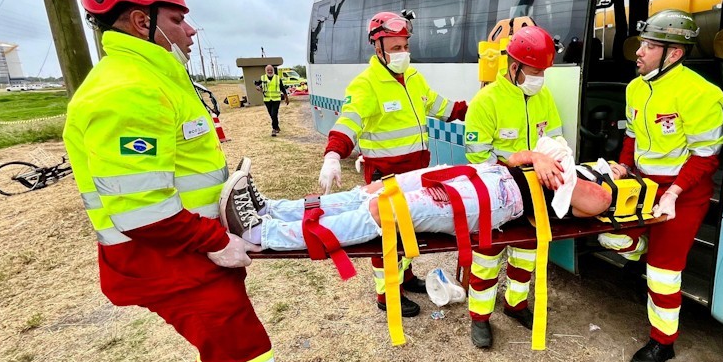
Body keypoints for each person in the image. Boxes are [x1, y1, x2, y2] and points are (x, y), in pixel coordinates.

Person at [65, 0, 348, 362]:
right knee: (244, 352)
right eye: (177, 19)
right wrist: (214, 240)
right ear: (141, 21)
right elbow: (140, 210)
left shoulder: (155, 77)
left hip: (182, 253)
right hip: (168, 260)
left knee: (213, 344)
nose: (190, 29)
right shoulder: (128, 90)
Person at [319, 11, 468, 319]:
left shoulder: (414, 78)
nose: (403, 54)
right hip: (385, 174)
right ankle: (388, 295)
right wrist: (334, 154)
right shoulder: (366, 85)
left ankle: (407, 277)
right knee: (388, 235)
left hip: (416, 171)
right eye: (396, 48)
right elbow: (348, 121)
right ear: (379, 48)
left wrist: (473, 109)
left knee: (408, 227)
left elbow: (441, 106)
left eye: (405, 47)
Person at [603, 9, 723, 362]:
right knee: (610, 237)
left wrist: (672, 193)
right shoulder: (635, 87)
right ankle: (641, 248)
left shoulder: (702, 94)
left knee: (663, 272)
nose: (638, 52)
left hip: (684, 194)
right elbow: (632, 135)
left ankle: (662, 342)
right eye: (641, 44)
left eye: (649, 46)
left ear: (674, 53)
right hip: (643, 185)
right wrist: (624, 167)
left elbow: (706, 157)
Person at [221, 152, 609, 255]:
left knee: (382, 211)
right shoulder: (564, 161)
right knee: (372, 191)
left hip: (494, 199)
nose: (616, 166)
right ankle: (273, 209)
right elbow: (514, 157)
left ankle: (261, 232)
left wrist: (572, 170)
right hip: (480, 174)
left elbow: (596, 202)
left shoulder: (599, 186)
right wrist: (537, 157)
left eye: (621, 169)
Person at [462, 25, 563, 348]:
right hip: (497, 195)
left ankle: (516, 305)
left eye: (544, 73)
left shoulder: (543, 96)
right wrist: (518, 160)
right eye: (535, 72)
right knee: (487, 258)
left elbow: (556, 140)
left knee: (526, 256)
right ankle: (480, 317)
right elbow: (477, 158)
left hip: (535, 194)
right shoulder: (486, 101)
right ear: (514, 66)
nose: (540, 79)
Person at [255, 65, 290, 137]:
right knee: (272, 115)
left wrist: (286, 98)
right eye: (268, 70)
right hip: (267, 100)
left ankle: (274, 129)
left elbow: (282, 88)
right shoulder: (263, 78)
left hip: (276, 99)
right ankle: (277, 126)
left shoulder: (277, 78)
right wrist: (258, 87)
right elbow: (258, 84)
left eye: (271, 70)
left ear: (273, 70)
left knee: (274, 114)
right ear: (266, 71)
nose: (270, 71)